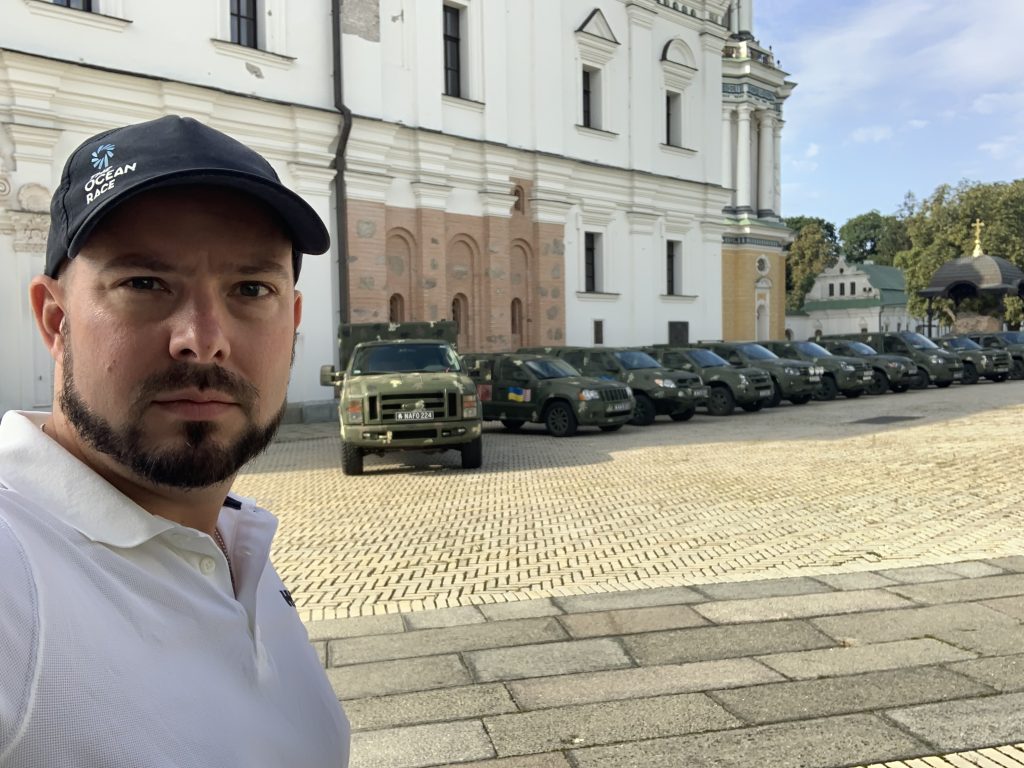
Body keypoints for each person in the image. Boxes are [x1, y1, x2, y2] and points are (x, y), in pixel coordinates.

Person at [0, 115, 349, 767]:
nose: (203, 336)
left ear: (293, 322)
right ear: (55, 320)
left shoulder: (235, 543)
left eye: (251, 289)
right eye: (143, 284)